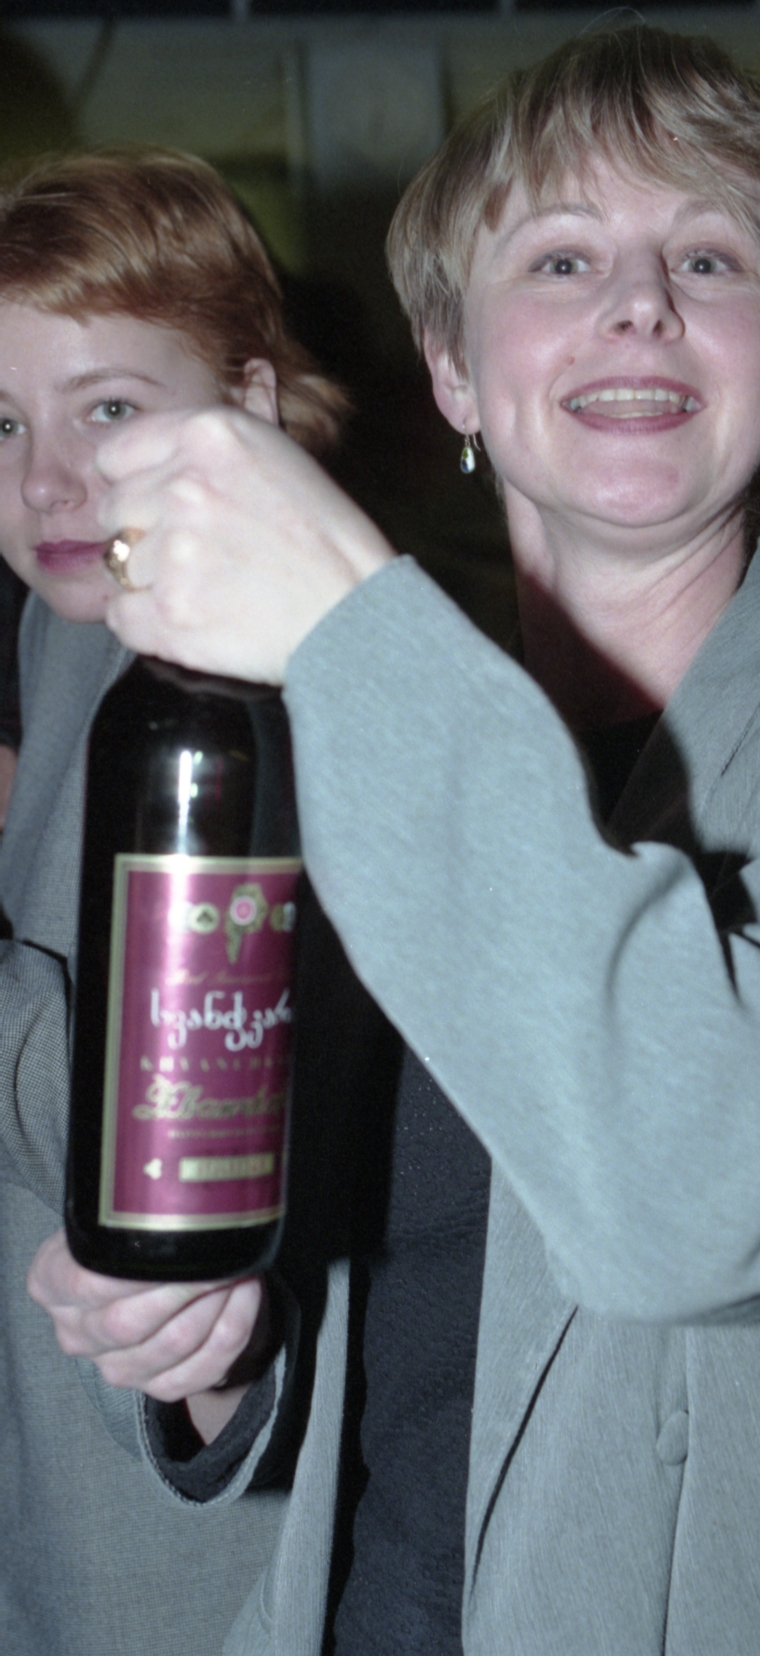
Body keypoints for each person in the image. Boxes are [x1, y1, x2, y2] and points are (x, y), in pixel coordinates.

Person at [30, 26, 760, 1656]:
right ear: (455, 373)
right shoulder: (342, 767)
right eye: (561, 257)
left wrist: (348, 621)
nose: (640, 302)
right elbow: (383, 1329)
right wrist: (212, 1359)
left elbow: (702, 1196)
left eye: (710, 257)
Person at [0, 148, 346, 1655]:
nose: (44, 482)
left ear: (250, 407)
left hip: (180, 1539)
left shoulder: (278, 692)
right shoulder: (82, 622)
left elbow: (189, 1119)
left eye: (109, 410)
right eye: (2, 423)